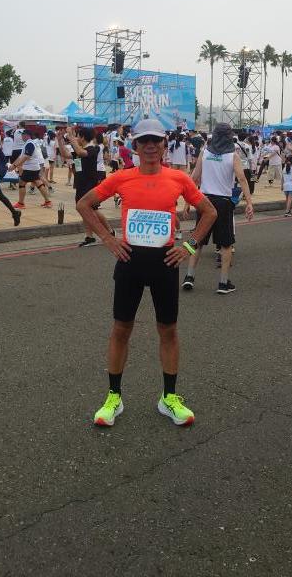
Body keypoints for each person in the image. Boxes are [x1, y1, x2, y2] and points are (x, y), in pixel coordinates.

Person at [76, 118, 217, 427]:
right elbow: (84, 204)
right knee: (121, 329)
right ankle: (113, 397)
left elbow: (210, 211)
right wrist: (108, 239)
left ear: (164, 144)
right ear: (135, 146)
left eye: (156, 140)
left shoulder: (178, 178)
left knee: (168, 331)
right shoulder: (122, 177)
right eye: (144, 141)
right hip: (130, 261)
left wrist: (189, 246)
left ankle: (169, 398)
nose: (150, 145)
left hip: (165, 262)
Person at [182, 123, 254, 294]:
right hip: (223, 202)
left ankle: (189, 276)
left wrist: (187, 202)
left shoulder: (205, 152)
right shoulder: (233, 155)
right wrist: (249, 202)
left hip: (204, 201)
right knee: (226, 244)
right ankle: (223, 283)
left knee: (197, 239)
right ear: (229, 136)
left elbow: (194, 177)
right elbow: (242, 179)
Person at [57, 126, 113, 246]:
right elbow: (65, 154)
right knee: (85, 210)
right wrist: (60, 140)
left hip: (89, 185)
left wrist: (71, 136)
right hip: (80, 184)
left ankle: (108, 231)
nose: (76, 138)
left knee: (92, 210)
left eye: (78, 136)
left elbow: (81, 153)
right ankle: (90, 236)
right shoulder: (80, 149)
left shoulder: (93, 148)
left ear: (82, 137)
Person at [10, 130, 52, 210]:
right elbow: (21, 157)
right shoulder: (28, 143)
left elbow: (26, 156)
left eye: (22, 135)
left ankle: (21, 203)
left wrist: (15, 165)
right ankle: (48, 202)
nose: (21, 137)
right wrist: (13, 165)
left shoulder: (29, 144)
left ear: (27, 135)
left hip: (30, 168)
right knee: (38, 183)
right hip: (33, 167)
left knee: (22, 183)